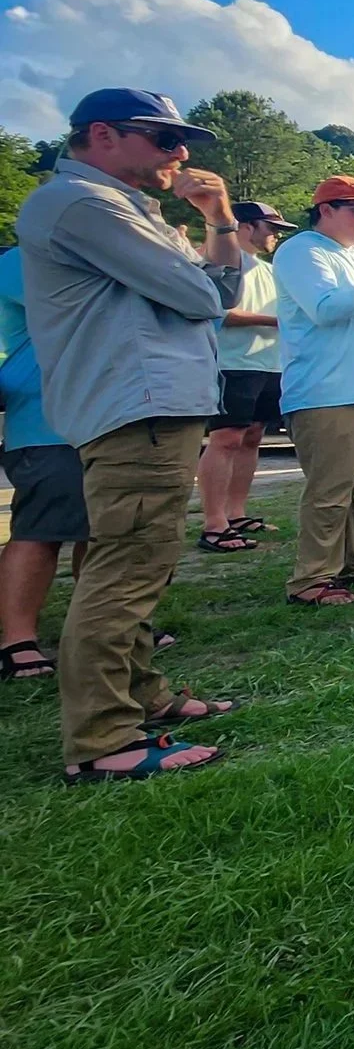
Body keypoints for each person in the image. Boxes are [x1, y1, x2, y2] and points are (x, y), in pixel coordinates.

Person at [18, 87, 243, 781]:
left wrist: (219, 219)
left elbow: (220, 293)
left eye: (183, 142)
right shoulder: (82, 204)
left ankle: (141, 695)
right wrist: (205, 259)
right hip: (136, 406)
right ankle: (102, 738)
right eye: (164, 138)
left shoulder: (126, 207)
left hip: (147, 406)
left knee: (142, 562)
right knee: (125, 570)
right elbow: (203, 296)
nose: (179, 153)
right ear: (103, 135)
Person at [274, 175, 354, 608]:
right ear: (325, 210)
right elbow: (326, 309)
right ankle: (311, 578)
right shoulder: (301, 250)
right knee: (330, 492)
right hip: (324, 391)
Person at [0, 244, 85, 680]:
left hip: (102, 416)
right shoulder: (24, 258)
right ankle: (17, 640)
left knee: (106, 531)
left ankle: (99, 628)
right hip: (45, 422)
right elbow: (78, 303)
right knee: (40, 530)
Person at [196, 200, 293, 553]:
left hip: (269, 363)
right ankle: (214, 523)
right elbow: (220, 313)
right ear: (247, 226)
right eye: (271, 228)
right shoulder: (217, 263)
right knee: (225, 438)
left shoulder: (268, 270)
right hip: (232, 363)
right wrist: (278, 321)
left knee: (252, 437)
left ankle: (236, 513)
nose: (275, 236)